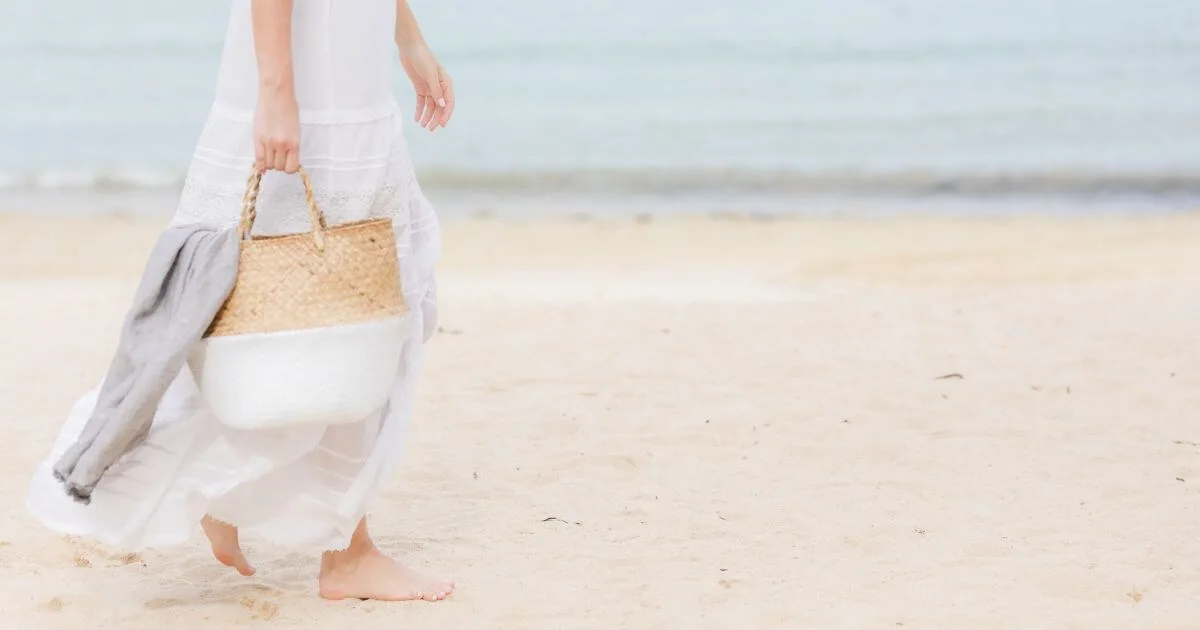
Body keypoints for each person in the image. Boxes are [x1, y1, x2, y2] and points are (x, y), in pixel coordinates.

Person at [27, 0, 455, 602]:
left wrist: (406, 36)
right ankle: (346, 553)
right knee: (345, 311)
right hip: (314, 77)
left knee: (312, 305)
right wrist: (277, 90)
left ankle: (233, 497)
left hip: (345, 71)